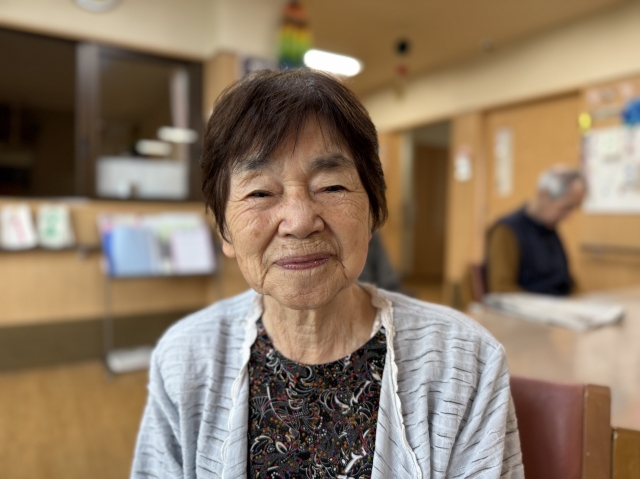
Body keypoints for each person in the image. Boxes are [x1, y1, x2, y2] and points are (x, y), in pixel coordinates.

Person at [131, 69, 523, 479]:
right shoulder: (184, 359)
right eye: (260, 192)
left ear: (372, 210)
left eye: (332, 186)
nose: (300, 221)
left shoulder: (466, 363)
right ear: (223, 229)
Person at [486, 166, 587, 296]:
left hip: (559, 305)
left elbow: (565, 279)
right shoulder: (506, 230)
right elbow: (502, 289)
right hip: (528, 306)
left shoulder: (549, 228)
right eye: (565, 207)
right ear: (544, 195)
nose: (568, 217)